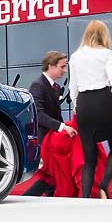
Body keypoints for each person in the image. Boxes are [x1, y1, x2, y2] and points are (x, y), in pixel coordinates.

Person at [69, 20, 112, 199]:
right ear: (103, 35)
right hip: (103, 101)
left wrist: (76, 106)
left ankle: (85, 201)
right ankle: (104, 186)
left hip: (83, 104)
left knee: (89, 160)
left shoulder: (75, 57)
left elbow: (72, 86)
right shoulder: (106, 54)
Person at [22, 51, 77, 196]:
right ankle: (25, 200)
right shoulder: (37, 85)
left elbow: (57, 116)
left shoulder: (56, 87)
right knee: (50, 178)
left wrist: (65, 129)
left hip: (53, 141)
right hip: (43, 141)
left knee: (53, 178)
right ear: (51, 66)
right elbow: (38, 114)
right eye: (62, 67)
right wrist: (62, 127)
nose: (64, 71)